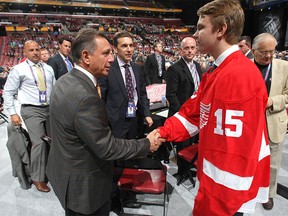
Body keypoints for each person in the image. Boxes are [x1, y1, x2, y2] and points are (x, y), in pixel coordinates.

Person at [157, 0, 270, 215]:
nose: (196, 34)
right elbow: (195, 114)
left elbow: (233, 153)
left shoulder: (239, 76)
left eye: (201, 27)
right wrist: (162, 133)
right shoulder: (218, 70)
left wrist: (211, 207)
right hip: (212, 186)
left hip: (225, 197)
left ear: (221, 29)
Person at [46, 28, 160, 216]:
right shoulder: (85, 97)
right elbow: (106, 148)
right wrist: (146, 144)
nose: (111, 59)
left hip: (66, 174)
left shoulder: (65, 81)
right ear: (86, 56)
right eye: (106, 53)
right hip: (85, 188)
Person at [98, 31, 153, 214]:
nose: (129, 49)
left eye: (131, 45)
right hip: (114, 124)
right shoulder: (108, 68)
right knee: (115, 164)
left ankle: (128, 194)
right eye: (124, 46)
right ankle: (115, 200)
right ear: (116, 48)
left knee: (131, 160)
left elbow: (142, 93)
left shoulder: (137, 68)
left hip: (134, 122)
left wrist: (146, 113)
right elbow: (101, 99)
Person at [3, 40, 55, 193]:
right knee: (39, 143)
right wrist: (12, 113)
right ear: (25, 52)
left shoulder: (49, 68)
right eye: (31, 50)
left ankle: (51, 170)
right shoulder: (18, 69)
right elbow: (8, 92)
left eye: (37, 49)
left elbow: (55, 87)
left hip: (49, 109)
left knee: (53, 141)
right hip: (31, 110)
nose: (35, 52)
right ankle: (37, 178)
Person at [252, 32, 288, 210]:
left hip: (274, 122)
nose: (268, 55)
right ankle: (250, 190)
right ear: (254, 50)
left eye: (272, 51)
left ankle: (269, 194)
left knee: (273, 163)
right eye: (264, 51)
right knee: (251, 160)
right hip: (250, 123)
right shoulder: (245, 67)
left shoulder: (284, 66)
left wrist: (273, 101)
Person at [165, 37, 202, 179]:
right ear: (181, 50)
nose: (190, 51)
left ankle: (190, 167)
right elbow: (171, 94)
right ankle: (182, 171)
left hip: (196, 113)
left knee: (193, 142)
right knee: (183, 145)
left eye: (192, 48)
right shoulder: (175, 69)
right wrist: (183, 113)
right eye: (187, 48)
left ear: (196, 49)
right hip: (183, 115)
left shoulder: (198, 66)